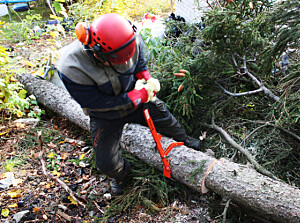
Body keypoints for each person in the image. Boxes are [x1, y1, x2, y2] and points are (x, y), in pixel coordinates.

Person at [57, 13, 200, 195]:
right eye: (119, 58)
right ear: (98, 52)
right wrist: (132, 98)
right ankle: (122, 175)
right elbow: (93, 102)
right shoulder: (71, 67)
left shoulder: (130, 37)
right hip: (105, 114)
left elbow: (140, 61)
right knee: (106, 163)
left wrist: (145, 77)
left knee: (163, 115)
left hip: (136, 98)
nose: (125, 61)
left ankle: (185, 140)